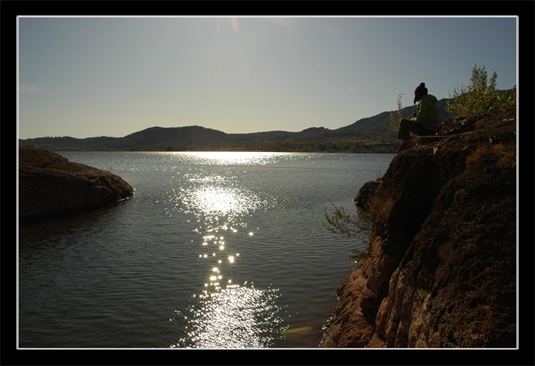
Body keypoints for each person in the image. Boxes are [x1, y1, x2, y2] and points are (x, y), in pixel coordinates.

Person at [397, 82, 440, 152]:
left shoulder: (424, 102)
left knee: (403, 122)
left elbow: (421, 119)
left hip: (426, 130)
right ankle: (405, 143)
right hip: (432, 129)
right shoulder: (431, 101)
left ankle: (404, 144)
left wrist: (412, 119)